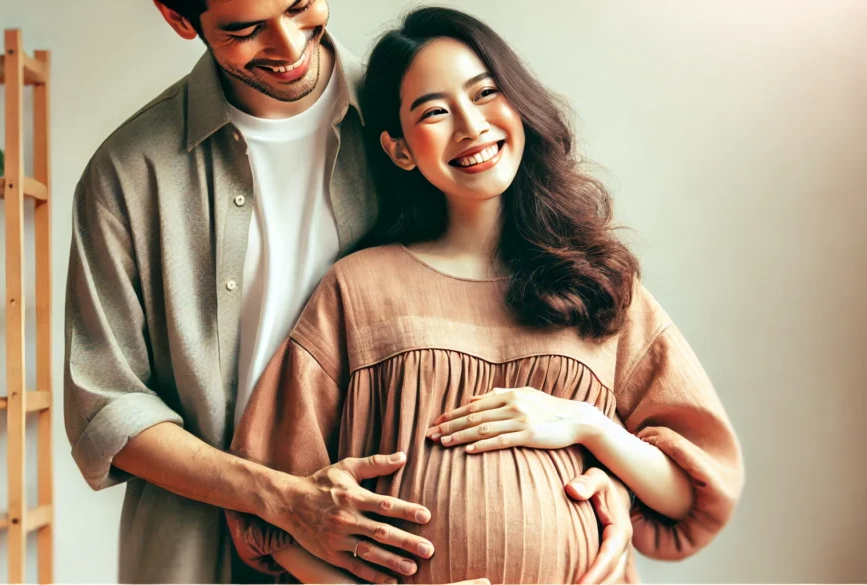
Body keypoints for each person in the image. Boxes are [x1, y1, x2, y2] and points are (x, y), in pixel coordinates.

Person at [63, 1, 635, 582]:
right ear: (179, 17)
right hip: (197, 551)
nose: (287, 47)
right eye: (244, 29)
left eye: (299, 5)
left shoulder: (419, 108)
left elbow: (531, 291)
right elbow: (107, 403)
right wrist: (284, 500)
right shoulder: (129, 171)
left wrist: (604, 467)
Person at [226, 6, 745, 584]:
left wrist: (588, 425)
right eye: (435, 112)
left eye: (485, 93)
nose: (470, 126)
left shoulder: (598, 284)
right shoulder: (356, 288)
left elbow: (689, 495)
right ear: (399, 149)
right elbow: (270, 517)